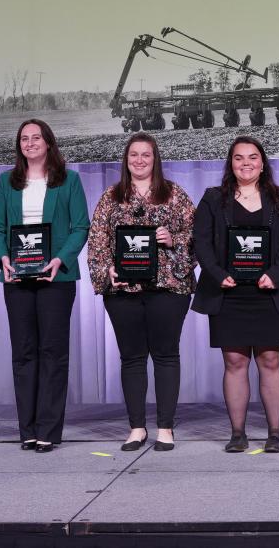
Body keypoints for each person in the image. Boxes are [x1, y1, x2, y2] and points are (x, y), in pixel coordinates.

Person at [192, 136, 279, 453]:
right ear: (231, 164)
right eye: (239, 158)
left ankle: (275, 434)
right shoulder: (213, 198)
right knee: (235, 362)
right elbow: (201, 242)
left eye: (253, 158)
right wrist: (217, 274)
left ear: (263, 163)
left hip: (270, 292)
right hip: (228, 293)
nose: (246, 164)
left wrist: (276, 274)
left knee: (270, 360)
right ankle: (238, 434)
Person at [87, 133, 197, 452]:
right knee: (132, 357)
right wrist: (106, 270)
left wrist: (172, 238)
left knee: (165, 355)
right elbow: (96, 240)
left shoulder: (174, 194)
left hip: (168, 287)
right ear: (126, 160)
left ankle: (165, 427)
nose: (139, 160)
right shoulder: (111, 196)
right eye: (133, 155)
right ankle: (137, 428)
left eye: (145, 155)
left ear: (155, 159)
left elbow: (197, 235)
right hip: (123, 290)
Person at [0, 119, 90, 453]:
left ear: (49, 142)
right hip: (16, 278)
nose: (29, 143)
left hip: (55, 279)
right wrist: (2, 258)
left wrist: (60, 259)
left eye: (36, 137)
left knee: (53, 354)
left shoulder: (69, 180)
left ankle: (48, 429)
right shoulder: (7, 182)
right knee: (24, 353)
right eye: (24, 138)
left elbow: (80, 227)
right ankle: (27, 429)